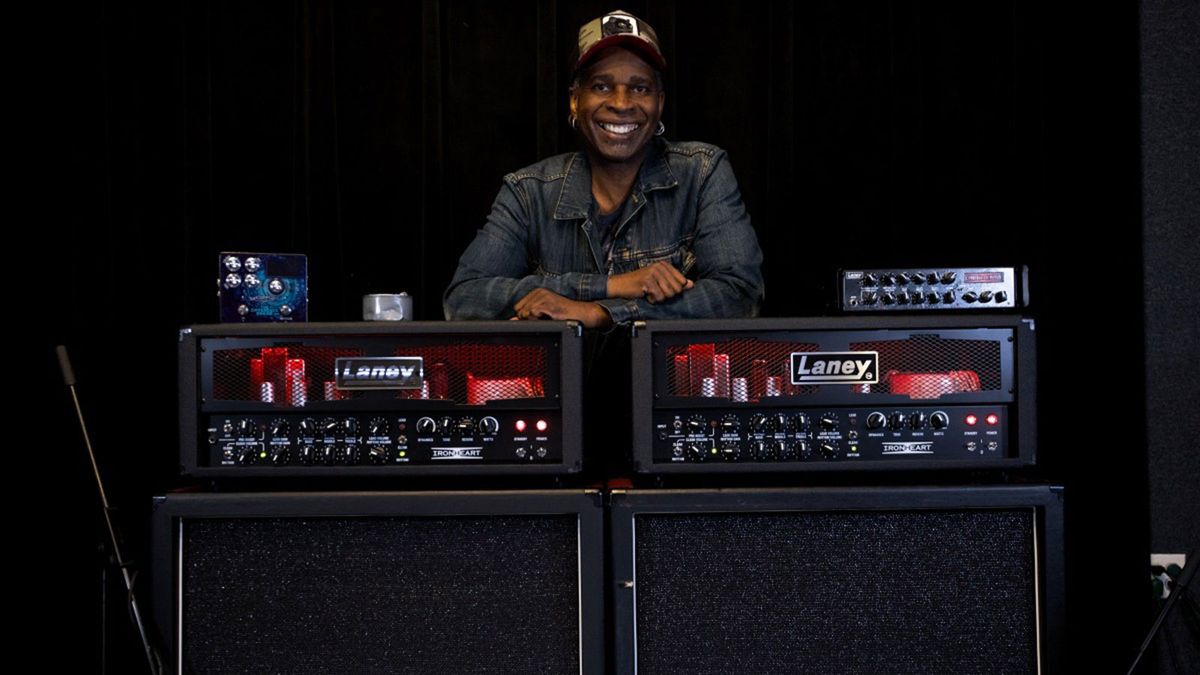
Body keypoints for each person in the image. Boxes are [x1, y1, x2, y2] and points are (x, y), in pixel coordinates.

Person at [444, 9, 764, 328]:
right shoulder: (529, 192)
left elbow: (740, 294)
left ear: (660, 103)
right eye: (601, 86)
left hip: (666, 378)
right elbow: (464, 299)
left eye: (640, 88)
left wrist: (599, 312)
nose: (622, 103)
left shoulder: (702, 172)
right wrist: (614, 286)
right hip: (563, 378)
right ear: (574, 100)